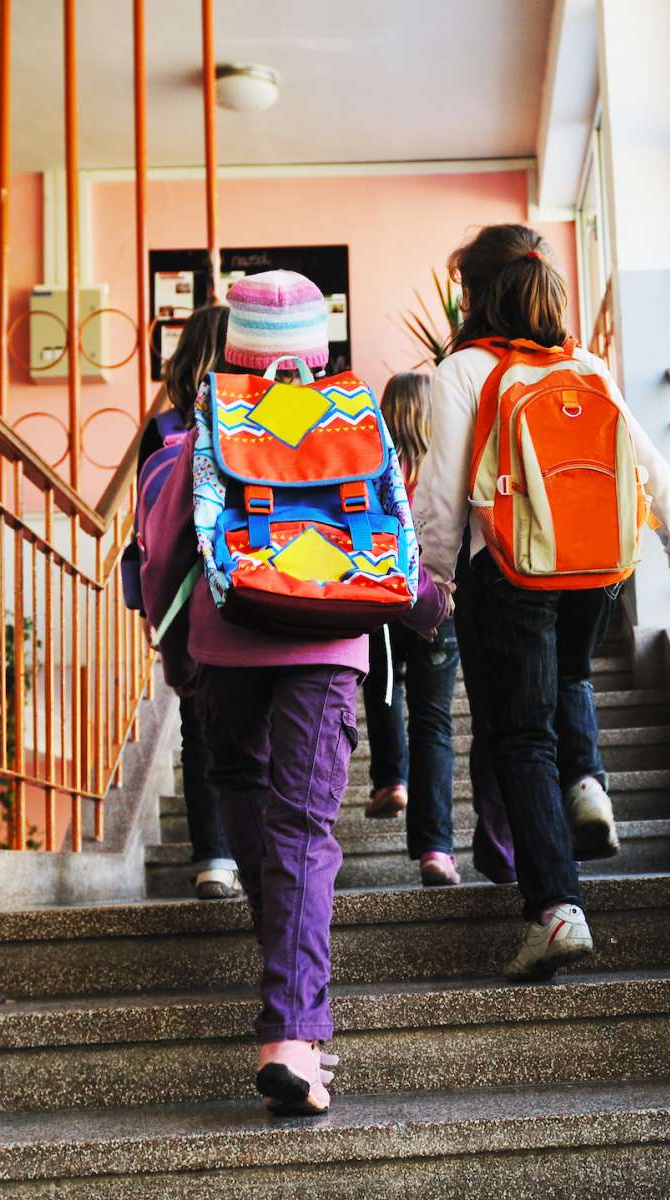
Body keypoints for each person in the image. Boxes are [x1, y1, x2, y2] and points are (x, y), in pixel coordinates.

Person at [141, 270, 451, 1115]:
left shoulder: (207, 423)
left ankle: (287, 988)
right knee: (308, 829)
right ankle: (292, 1032)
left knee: (242, 786)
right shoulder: (355, 419)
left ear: (236, 344)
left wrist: (175, 651)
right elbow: (393, 528)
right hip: (329, 638)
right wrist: (424, 604)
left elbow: (164, 549)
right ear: (317, 349)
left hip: (227, 636)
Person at [413, 225, 670, 982]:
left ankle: (556, 912)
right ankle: (589, 786)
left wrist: (433, 585)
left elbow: (442, 500)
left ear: (475, 295)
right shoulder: (586, 365)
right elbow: (648, 468)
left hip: (509, 573)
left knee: (519, 739)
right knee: (570, 680)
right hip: (597, 572)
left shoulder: (464, 373)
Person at [132, 305, 241, 901]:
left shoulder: (161, 429)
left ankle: (213, 858)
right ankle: (265, 849)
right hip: (250, 587)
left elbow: (147, 531)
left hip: (185, 594)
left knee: (199, 726)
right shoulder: (256, 419)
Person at [360, 372, 463, 887]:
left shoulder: (374, 469)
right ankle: (435, 849)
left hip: (383, 603)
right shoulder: (445, 469)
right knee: (433, 721)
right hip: (437, 605)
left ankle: (390, 779)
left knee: (382, 688)